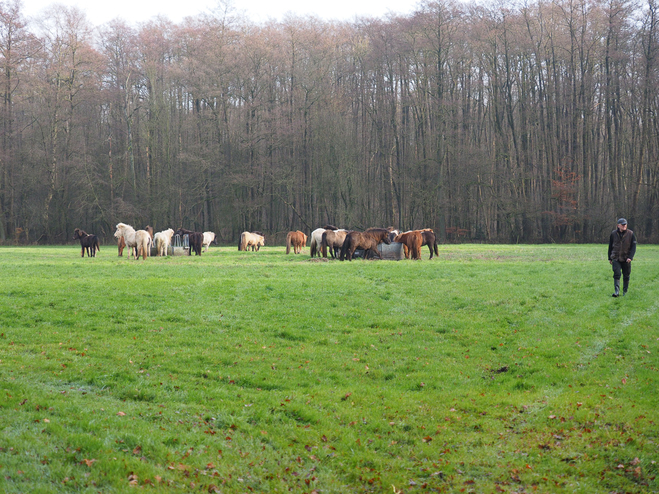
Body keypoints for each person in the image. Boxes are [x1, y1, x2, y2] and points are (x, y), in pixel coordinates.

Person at [608, 218, 637, 297]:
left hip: (626, 258)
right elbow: (610, 246)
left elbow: (633, 247)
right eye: (623, 224)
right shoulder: (613, 234)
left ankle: (625, 292)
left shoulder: (631, 234)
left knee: (626, 275)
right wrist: (609, 258)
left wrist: (630, 257)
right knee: (616, 274)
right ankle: (616, 292)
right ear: (618, 225)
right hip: (616, 257)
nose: (624, 226)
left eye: (625, 224)